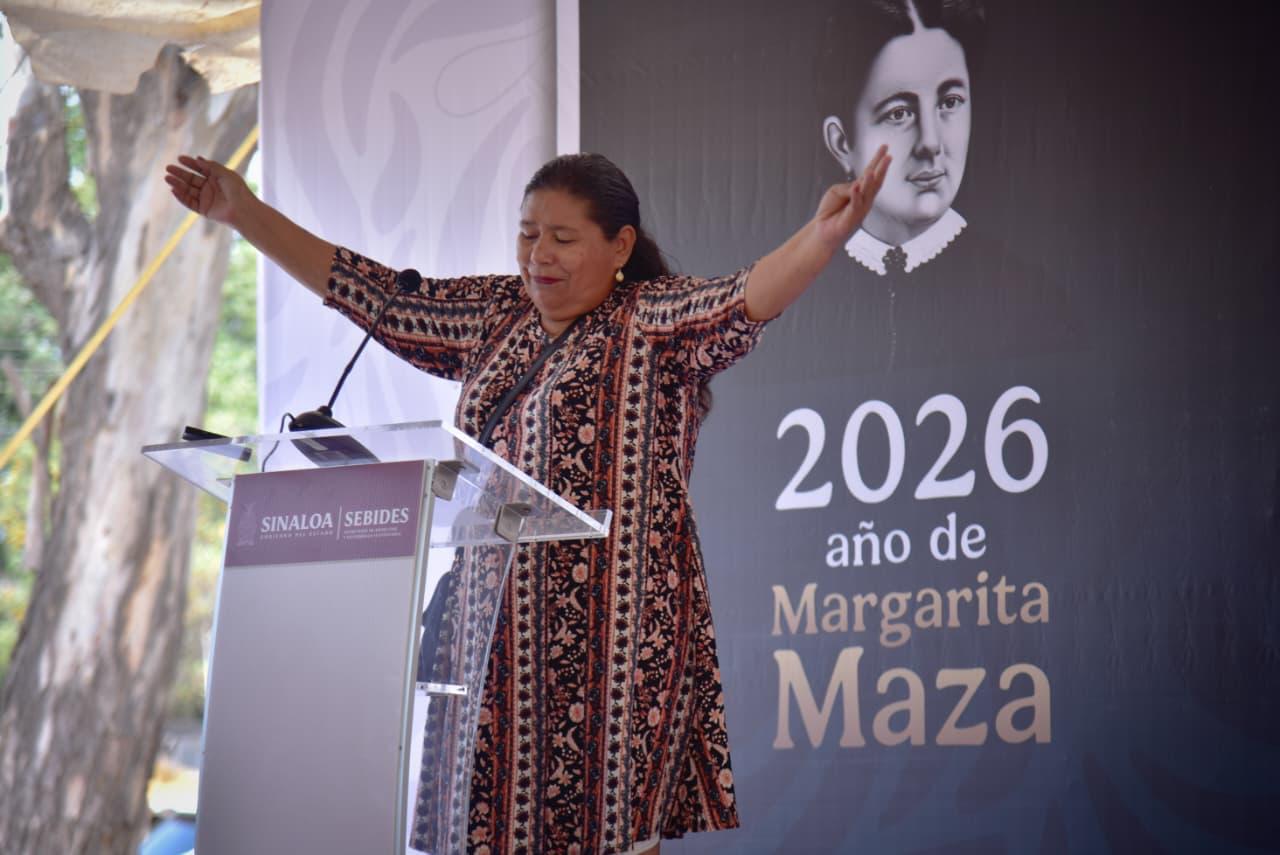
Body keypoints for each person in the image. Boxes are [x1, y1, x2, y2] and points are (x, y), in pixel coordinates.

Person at [165, 145, 889, 854]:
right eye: (528, 234)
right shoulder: (496, 313)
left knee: (611, 835)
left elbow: (746, 296)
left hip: (615, 639)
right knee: (488, 829)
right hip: (493, 639)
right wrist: (243, 212)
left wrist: (822, 237)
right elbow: (370, 292)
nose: (539, 254)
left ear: (620, 245)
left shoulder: (651, 322)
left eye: (563, 238)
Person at [821, 0, 985, 275]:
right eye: (898, 114)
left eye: (950, 102)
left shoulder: (1020, 284)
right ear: (842, 143)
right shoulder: (803, 280)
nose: (930, 143)